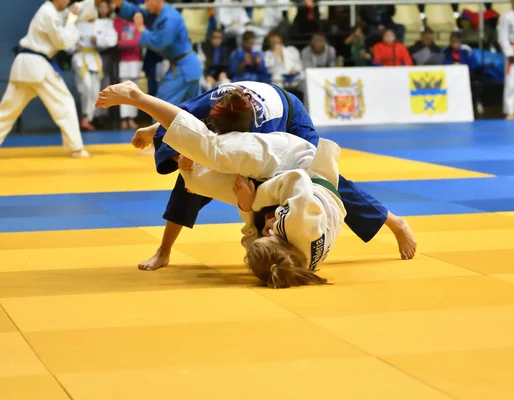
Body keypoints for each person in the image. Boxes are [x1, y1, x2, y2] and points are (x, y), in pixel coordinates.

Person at [130, 80, 417, 271]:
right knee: (190, 178)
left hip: (290, 122)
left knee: (325, 183)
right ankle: (164, 251)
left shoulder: (262, 139)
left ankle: (393, 222)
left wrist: (250, 204)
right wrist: (173, 147)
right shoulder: (211, 105)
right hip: (246, 114)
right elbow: (180, 120)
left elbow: (291, 185)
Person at [97, 83, 344, 287]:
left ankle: (174, 146)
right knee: (213, 151)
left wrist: (248, 207)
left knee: (195, 180)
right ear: (285, 247)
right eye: (270, 234)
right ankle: (137, 97)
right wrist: (256, 200)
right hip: (297, 162)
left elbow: (251, 231)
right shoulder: (303, 226)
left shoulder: (275, 257)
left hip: (278, 182)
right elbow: (298, 180)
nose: (265, 231)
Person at [0, 0, 101, 157]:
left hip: (25, 65)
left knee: (7, 111)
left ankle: (75, 146)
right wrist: (72, 20)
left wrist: (74, 13)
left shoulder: (52, 12)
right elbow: (62, 41)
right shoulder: (48, 13)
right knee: (64, 103)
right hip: (36, 66)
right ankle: (76, 148)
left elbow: (69, 14)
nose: (68, 1)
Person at [111, 0, 202, 107]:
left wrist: (141, 29)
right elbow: (139, 13)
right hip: (186, 67)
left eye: (148, 1)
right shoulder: (159, 13)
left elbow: (160, 42)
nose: (146, 4)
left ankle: (161, 124)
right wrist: (121, 5)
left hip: (184, 69)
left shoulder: (170, 17)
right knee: (193, 109)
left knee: (162, 105)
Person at [72, 0, 118, 131]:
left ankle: (87, 119)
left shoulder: (105, 23)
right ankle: (85, 116)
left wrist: (97, 40)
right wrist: (74, 48)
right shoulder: (77, 24)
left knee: (95, 90)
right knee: (85, 87)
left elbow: (112, 40)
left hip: (94, 57)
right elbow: (67, 40)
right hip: (81, 58)